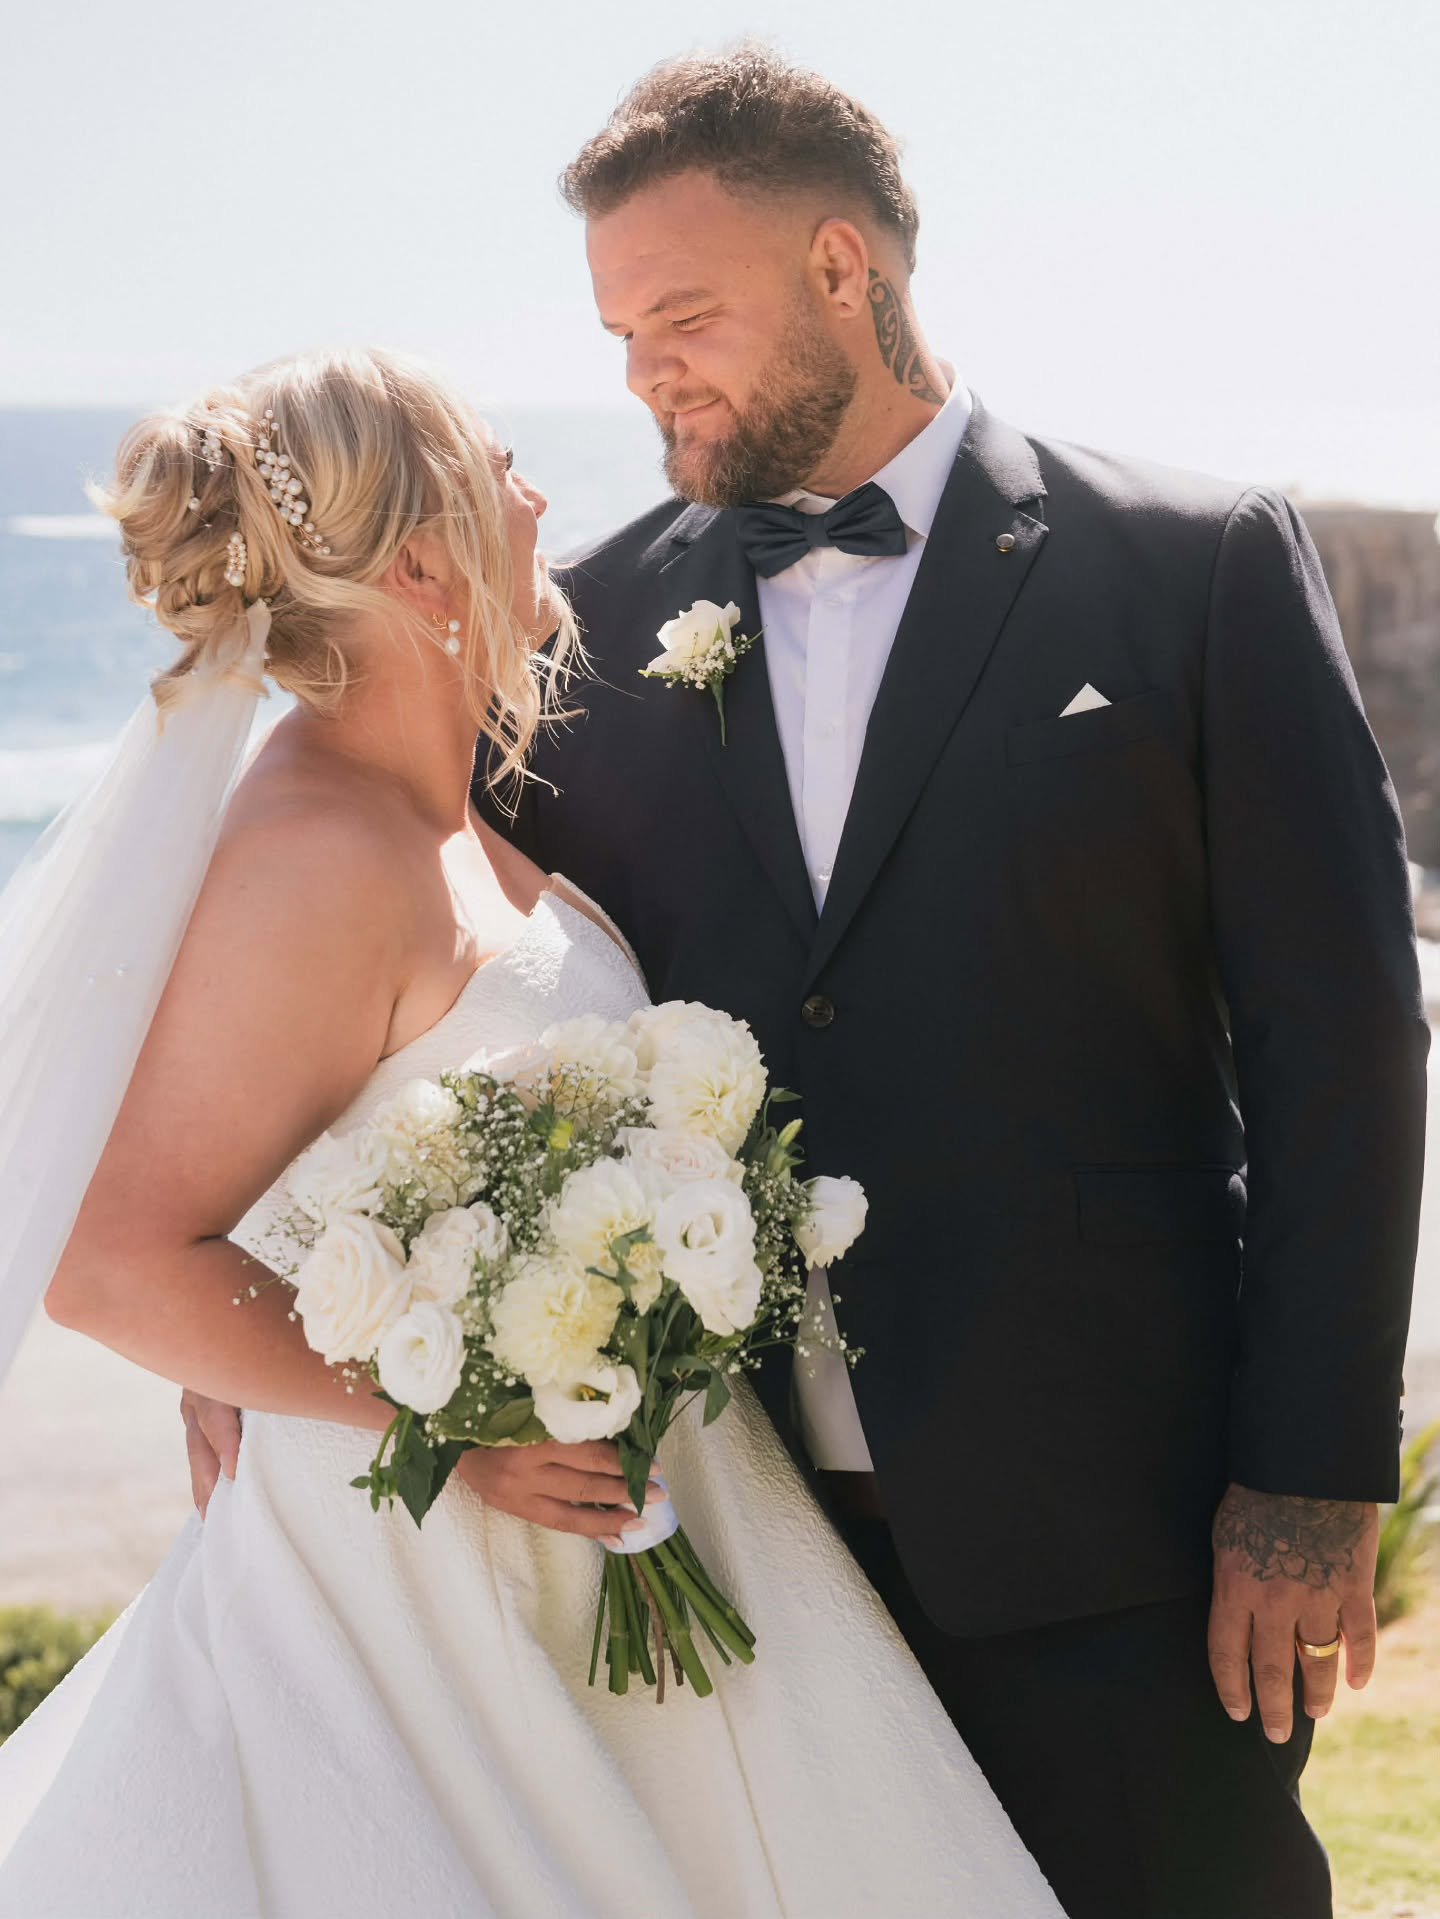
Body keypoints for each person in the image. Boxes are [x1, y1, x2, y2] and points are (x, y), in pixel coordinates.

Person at [0, 346, 1062, 1917]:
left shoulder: (442, 810)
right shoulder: (316, 852)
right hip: (420, 1597)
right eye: (503, 469)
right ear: (424, 556)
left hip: (614, 1531)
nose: (542, 497)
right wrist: (457, 1424)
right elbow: (108, 1262)